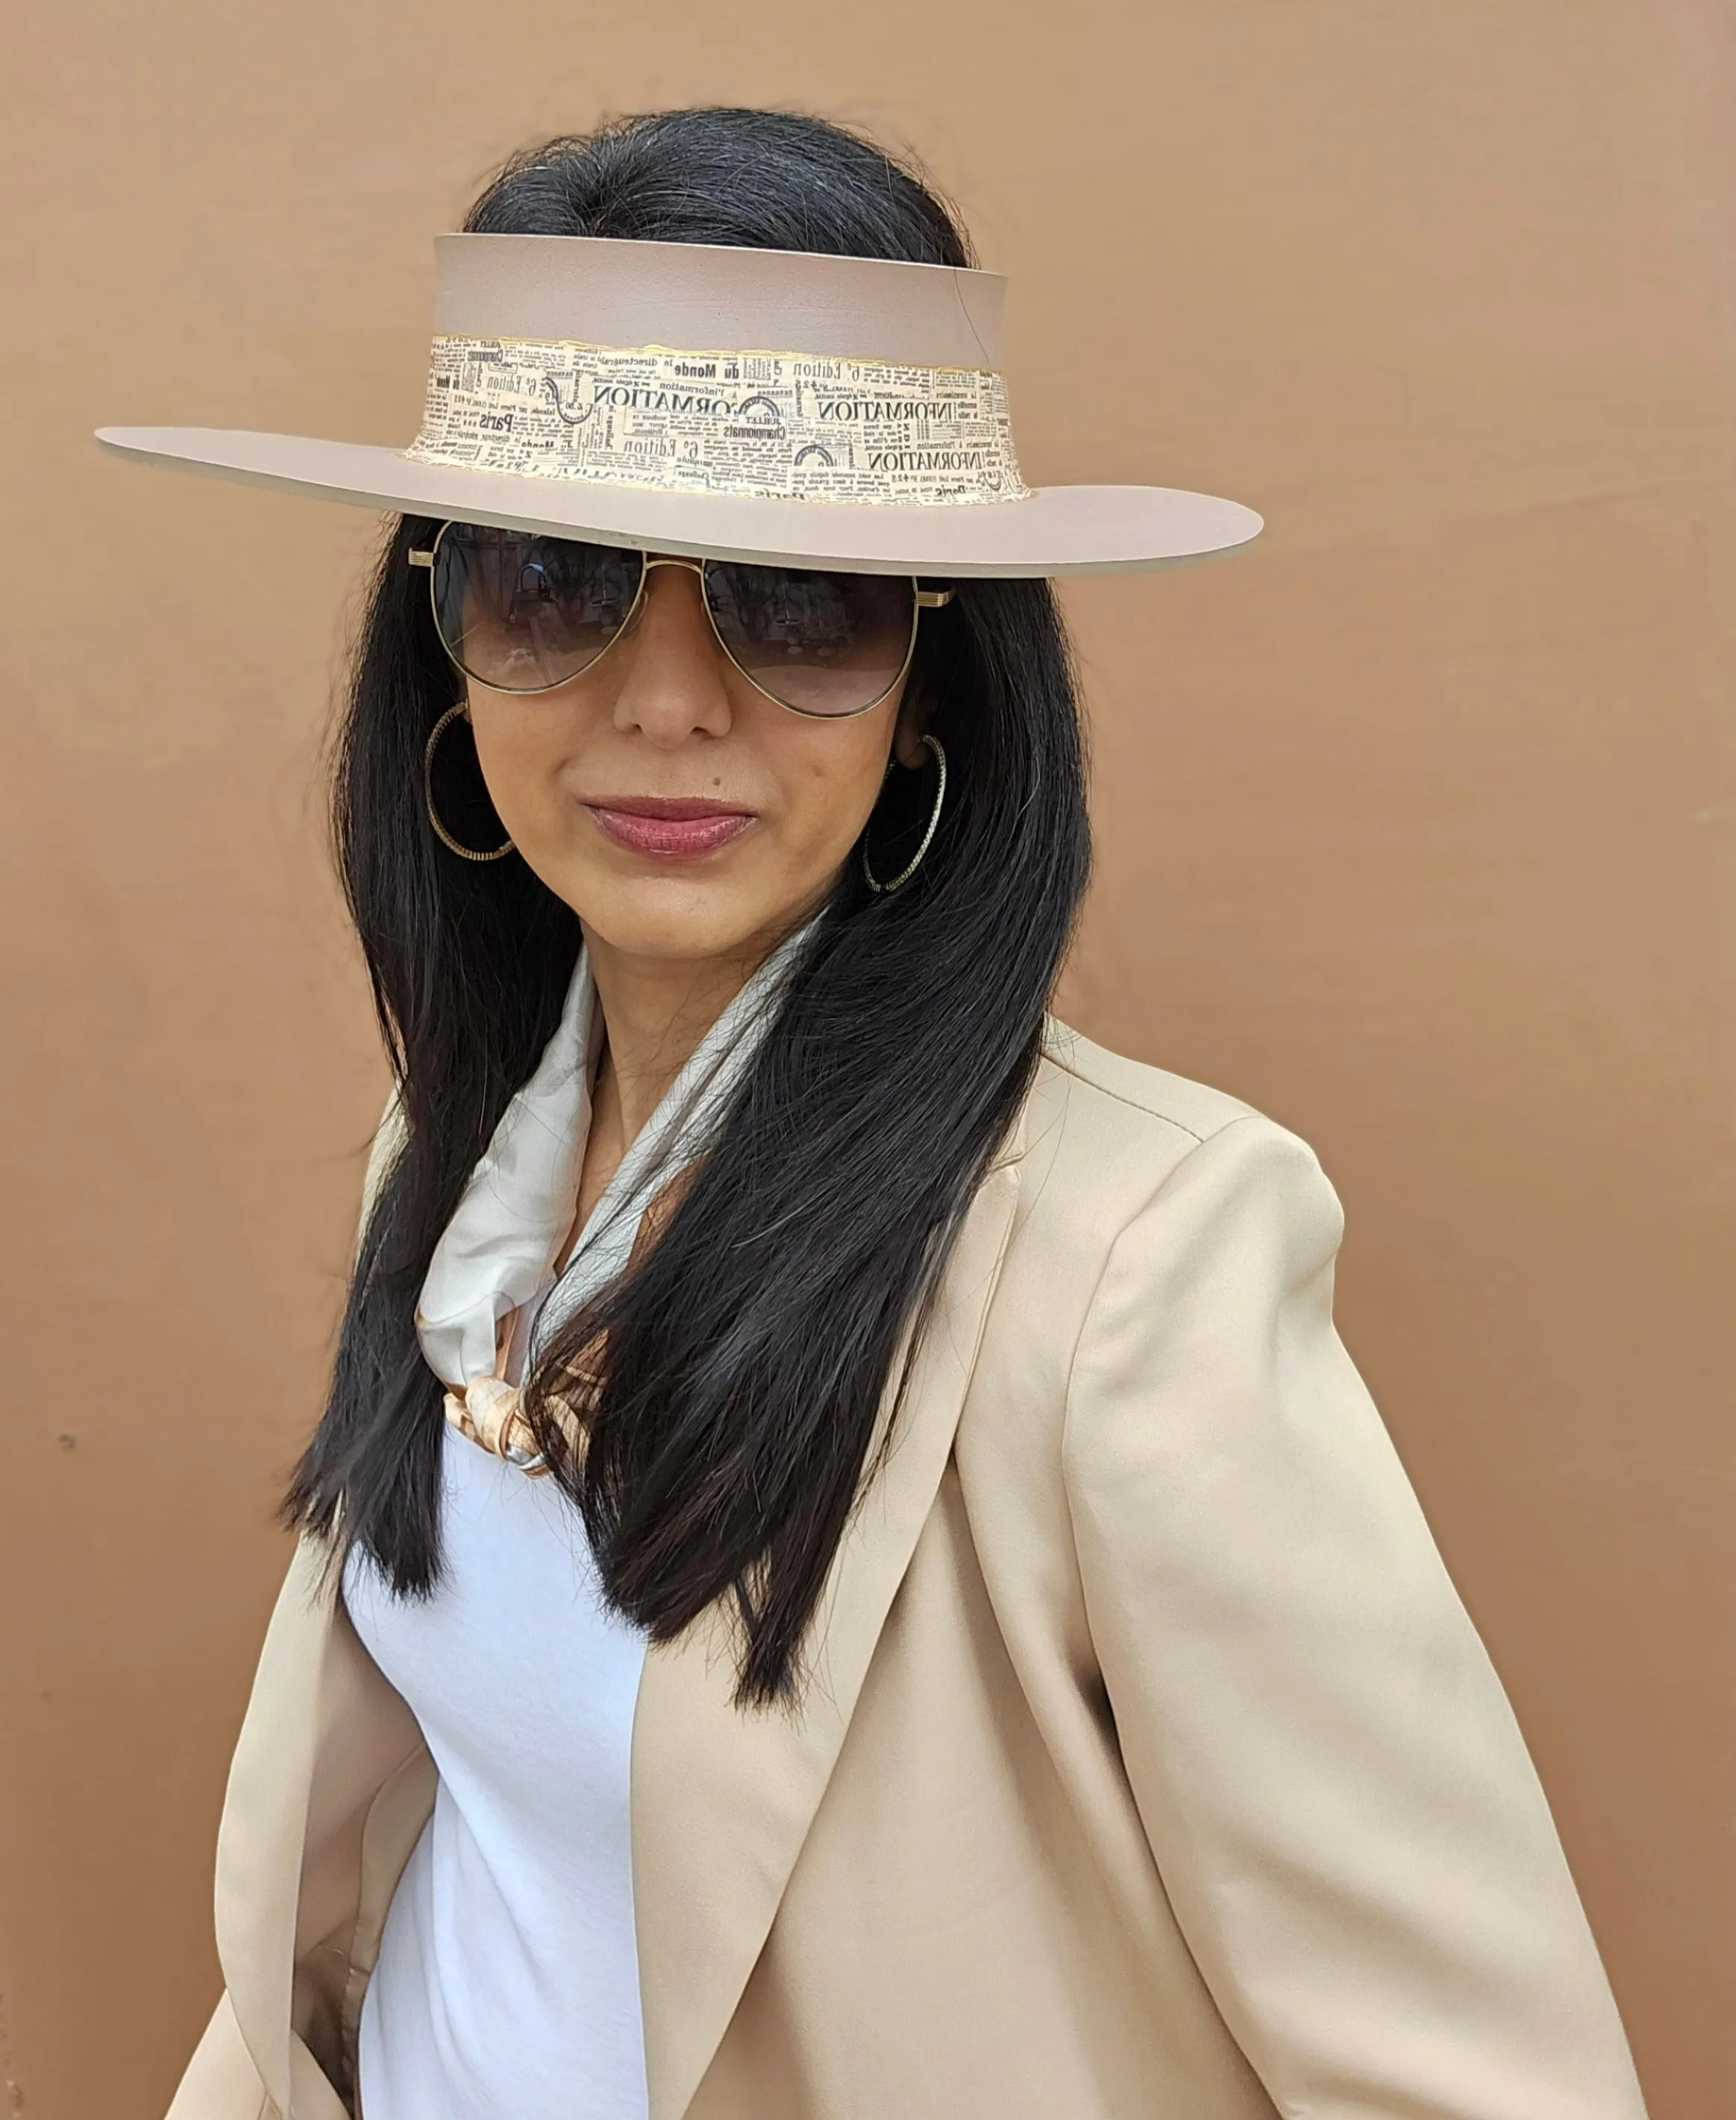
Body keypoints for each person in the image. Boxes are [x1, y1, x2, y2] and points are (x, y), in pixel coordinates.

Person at [100, 107, 1647, 2120]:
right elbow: (431, 1855)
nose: (665, 700)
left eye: (796, 594)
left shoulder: (1127, 1274)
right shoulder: (463, 1155)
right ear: (444, 637)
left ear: (935, 669)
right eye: (555, 580)